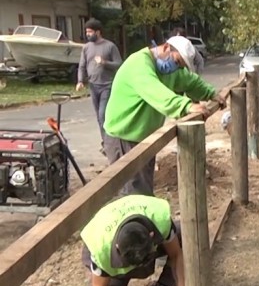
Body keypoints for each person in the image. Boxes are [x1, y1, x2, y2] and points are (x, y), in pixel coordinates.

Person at [103, 35, 222, 196]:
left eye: (180, 66)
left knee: (144, 191)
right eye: (177, 61)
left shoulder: (171, 71)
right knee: (133, 195)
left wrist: (211, 94)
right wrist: (186, 106)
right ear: (166, 47)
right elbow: (157, 93)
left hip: (143, 139)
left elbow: (190, 81)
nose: (176, 67)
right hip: (123, 137)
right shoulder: (138, 64)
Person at [80, 195, 185, 286]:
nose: (140, 268)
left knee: (186, 235)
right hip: (105, 251)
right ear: (117, 248)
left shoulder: (159, 220)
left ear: (151, 235)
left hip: (147, 234)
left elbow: (176, 255)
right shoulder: (101, 250)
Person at [75, 18, 122, 152]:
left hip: (107, 85)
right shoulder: (86, 48)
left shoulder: (110, 46)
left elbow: (119, 63)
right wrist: (80, 81)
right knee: (99, 117)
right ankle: (106, 143)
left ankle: (109, 144)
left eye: (90, 32)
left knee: (103, 116)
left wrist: (104, 63)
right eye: (87, 32)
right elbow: (82, 66)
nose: (87, 34)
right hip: (93, 86)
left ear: (98, 32)